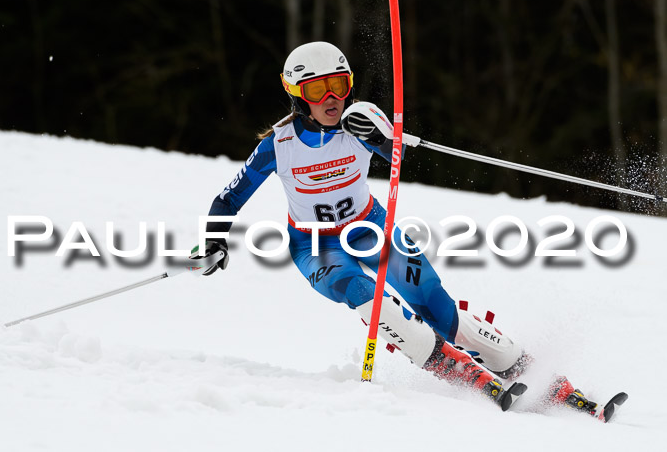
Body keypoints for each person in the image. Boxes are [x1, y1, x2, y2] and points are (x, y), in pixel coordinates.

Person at [192, 41, 590, 413]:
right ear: (297, 95)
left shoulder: (359, 120)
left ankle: (527, 369)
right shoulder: (278, 146)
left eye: (339, 85)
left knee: (434, 303)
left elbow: (392, 149)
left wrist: (382, 140)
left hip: (370, 228)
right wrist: (214, 242)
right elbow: (228, 199)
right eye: (318, 90)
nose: (331, 98)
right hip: (315, 246)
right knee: (364, 293)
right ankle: (456, 368)